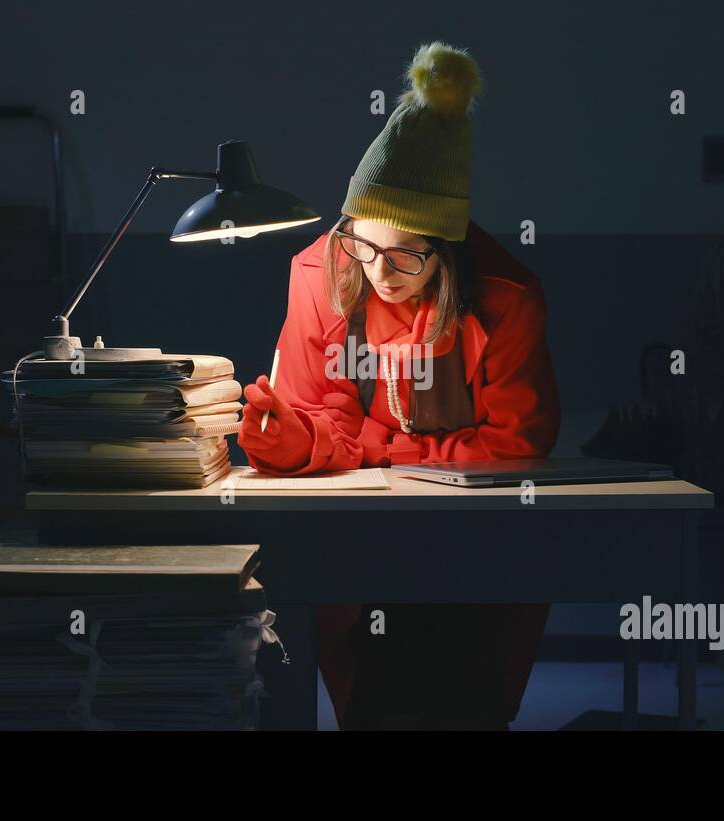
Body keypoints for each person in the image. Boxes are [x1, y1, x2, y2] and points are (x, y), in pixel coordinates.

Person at [237, 41, 561, 729]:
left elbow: (517, 446)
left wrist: (377, 445)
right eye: (363, 242)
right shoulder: (318, 275)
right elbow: (309, 411)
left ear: (447, 249)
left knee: (461, 688)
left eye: (408, 252)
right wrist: (290, 439)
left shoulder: (506, 299)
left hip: (477, 539)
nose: (380, 270)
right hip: (352, 533)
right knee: (359, 673)